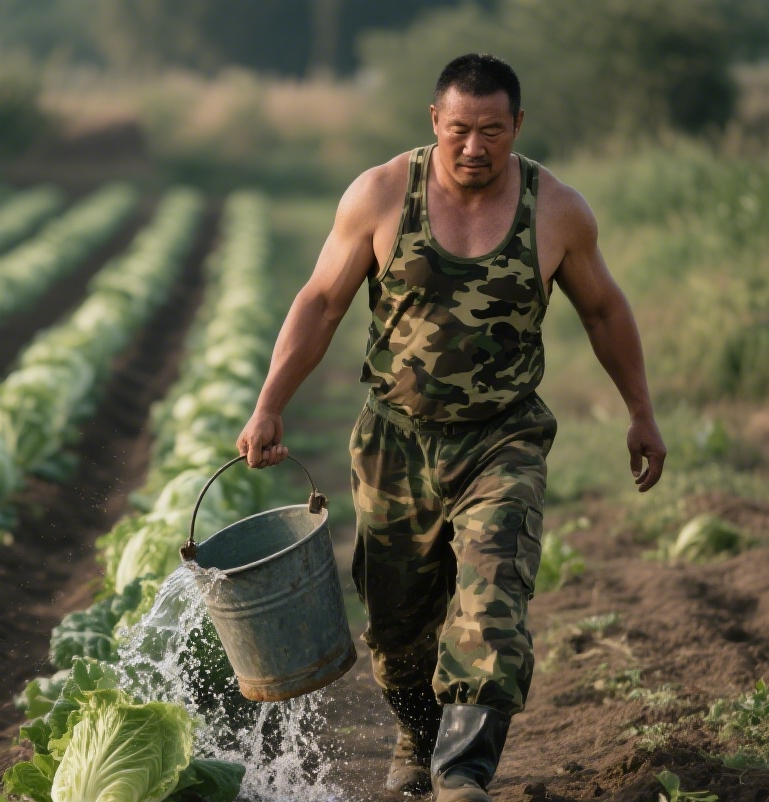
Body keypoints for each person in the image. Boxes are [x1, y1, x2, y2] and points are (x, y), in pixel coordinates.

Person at [233, 53, 666, 801]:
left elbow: (603, 311)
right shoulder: (377, 195)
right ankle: (415, 729)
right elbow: (320, 303)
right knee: (398, 629)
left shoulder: (556, 209)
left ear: (516, 126)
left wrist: (639, 412)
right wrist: (270, 400)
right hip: (395, 440)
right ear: (434, 122)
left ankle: (462, 774)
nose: (474, 146)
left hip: (502, 438)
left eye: (491, 130)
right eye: (459, 129)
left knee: (492, 598)